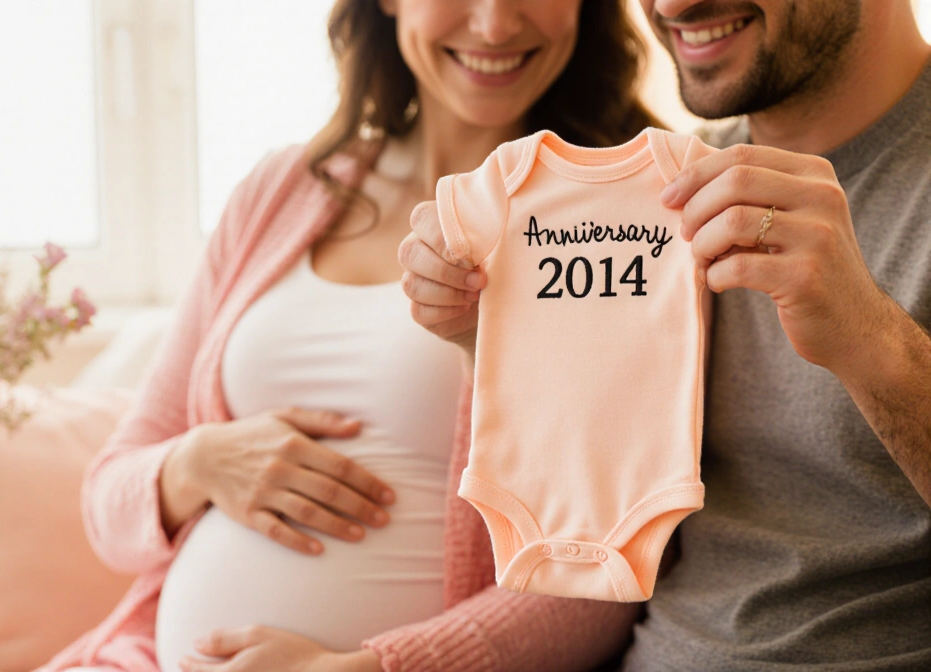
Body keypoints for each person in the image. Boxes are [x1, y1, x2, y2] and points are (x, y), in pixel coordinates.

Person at [39, 1, 666, 671]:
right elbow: (110, 495)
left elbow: (597, 578)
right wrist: (198, 462)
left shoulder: (616, 225)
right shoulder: (280, 189)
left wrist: (359, 670)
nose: (493, 25)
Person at [399, 0, 931, 668]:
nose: (673, 6)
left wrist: (873, 341)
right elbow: (593, 536)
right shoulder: (662, 188)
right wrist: (496, 336)